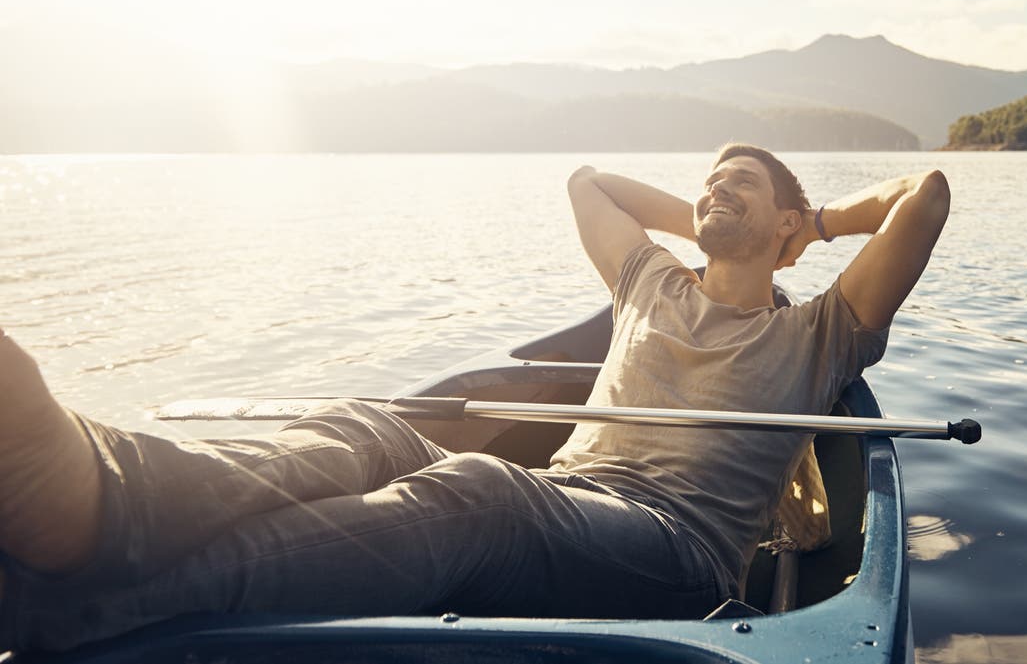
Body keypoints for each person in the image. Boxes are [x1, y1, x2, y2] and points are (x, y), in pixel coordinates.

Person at [0, 144, 949, 651]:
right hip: (577, 495)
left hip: (677, 545)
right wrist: (715, 208)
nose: (713, 189)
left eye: (738, 182)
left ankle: (72, 600)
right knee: (371, 427)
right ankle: (106, 494)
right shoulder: (651, 283)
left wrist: (813, 224)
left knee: (479, 493)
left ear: (787, 221)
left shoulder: (819, 330)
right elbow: (589, 181)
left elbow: (928, 191)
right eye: (707, 180)